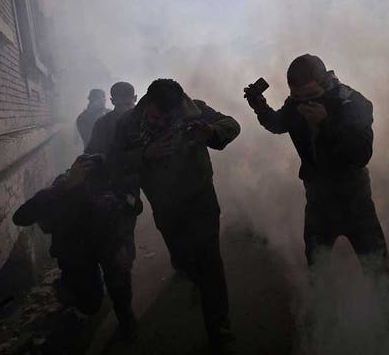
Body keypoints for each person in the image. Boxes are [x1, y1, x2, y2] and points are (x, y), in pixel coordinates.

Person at [108, 78, 240, 348]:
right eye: (159, 116)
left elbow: (231, 124)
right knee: (183, 258)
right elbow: (114, 163)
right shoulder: (128, 125)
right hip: (165, 205)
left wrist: (211, 132)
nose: (165, 121)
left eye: (171, 115)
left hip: (200, 198)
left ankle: (219, 327)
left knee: (210, 264)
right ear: (148, 104)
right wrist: (146, 153)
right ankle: (192, 275)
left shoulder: (193, 111)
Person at [244, 54, 389, 287]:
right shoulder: (295, 104)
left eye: (311, 96)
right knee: (318, 270)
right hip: (318, 202)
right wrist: (260, 107)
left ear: (325, 82)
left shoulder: (352, 102)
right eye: (297, 97)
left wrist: (327, 124)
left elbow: (362, 153)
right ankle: (323, 316)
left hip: (355, 201)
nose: (304, 103)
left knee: (377, 270)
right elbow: (279, 124)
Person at [12, 154, 139, 339]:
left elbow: (135, 207)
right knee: (89, 303)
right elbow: (20, 217)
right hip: (76, 255)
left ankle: (126, 320)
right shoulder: (59, 191)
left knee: (120, 287)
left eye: (91, 171)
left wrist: (123, 198)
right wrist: (63, 189)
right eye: (82, 170)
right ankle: (67, 292)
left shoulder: (108, 187)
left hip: (107, 247)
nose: (87, 177)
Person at [85, 82, 137, 155]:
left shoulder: (148, 119)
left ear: (135, 98)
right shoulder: (102, 124)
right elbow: (91, 152)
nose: (124, 110)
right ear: (112, 101)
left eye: (128, 104)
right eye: (119, 106)